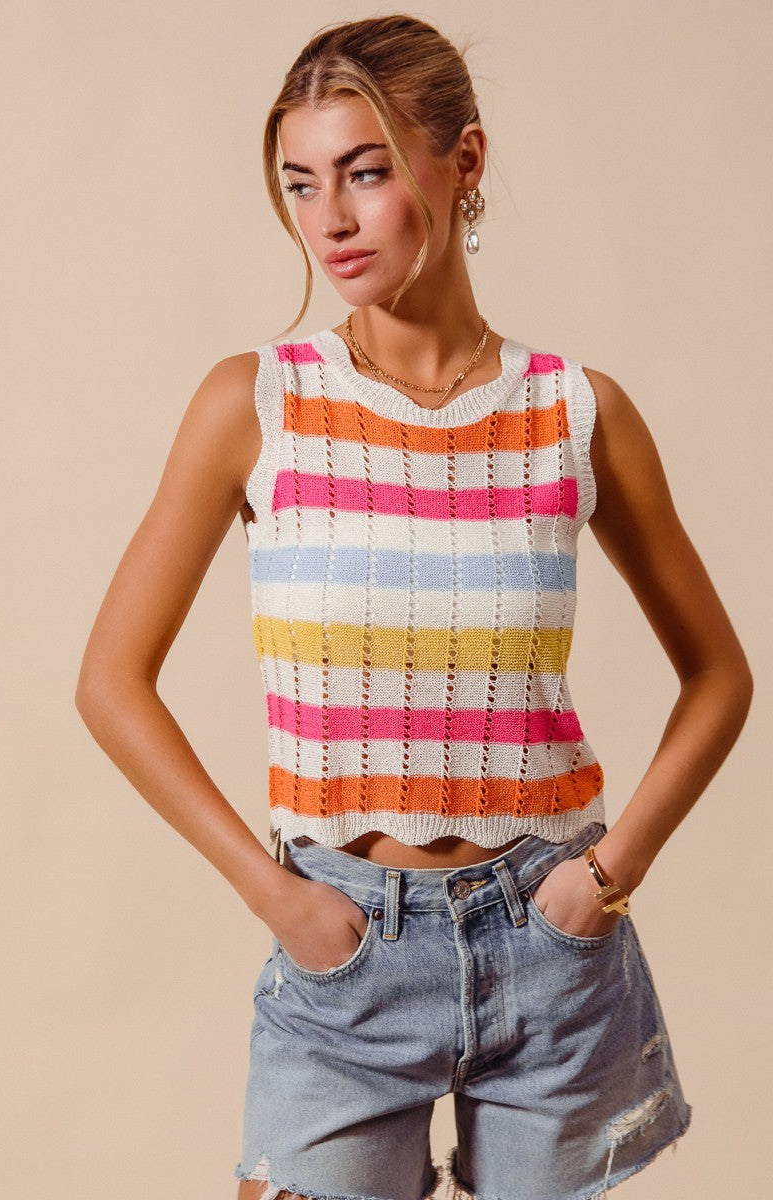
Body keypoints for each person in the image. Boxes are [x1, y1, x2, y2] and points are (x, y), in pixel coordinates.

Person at [75, 14, 753, 1200]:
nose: (328, 219)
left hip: (549, 944)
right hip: (343, 953)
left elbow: (719, 676)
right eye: (300, 183)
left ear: (463, 162)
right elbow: (108, 683)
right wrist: (275, 896)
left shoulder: (573, 412)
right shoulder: (257, 404)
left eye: (365, 172)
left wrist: (604, 878)